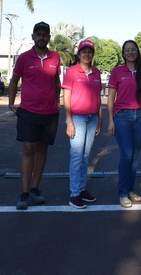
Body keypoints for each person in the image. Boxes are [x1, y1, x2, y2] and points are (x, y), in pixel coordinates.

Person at [8, 21, 62, 210]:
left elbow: (56, 80)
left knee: (42, 149)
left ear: (48, 37)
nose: (41, 37)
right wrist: (11, 102)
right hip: (29, 111)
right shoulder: (24, 58)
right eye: (38, 34)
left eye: (44, 34)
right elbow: (14, 80)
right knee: (28, 148)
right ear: (33, 37)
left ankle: (35, 189)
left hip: (50, 113)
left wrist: (57, 101)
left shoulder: (55, 57)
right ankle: (23, 193)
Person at [107, 40, 141, 208]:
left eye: (133, 50)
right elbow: (110, 98)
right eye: (127, 50)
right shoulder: (117, 71)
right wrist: (110, 120)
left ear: (137, 52)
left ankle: (130, 189)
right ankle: (123, 193)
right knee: (126, 155)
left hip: (139, 116)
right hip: (122, 117)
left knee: (136, 156)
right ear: (123, 54)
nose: (131, 52)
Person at [62, 39, 103, 209]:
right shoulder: (72, 72)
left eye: (90, 52)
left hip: (92, 118)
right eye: (84, 51)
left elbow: (98, 98)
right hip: (77, 118)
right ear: (79, 54)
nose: (87, 54)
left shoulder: (96, 73)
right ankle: (74, 194)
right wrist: (69, 122)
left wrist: (100, 120)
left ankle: (81, 189)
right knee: (77, 156)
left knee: (85, 156)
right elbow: (66, 97)